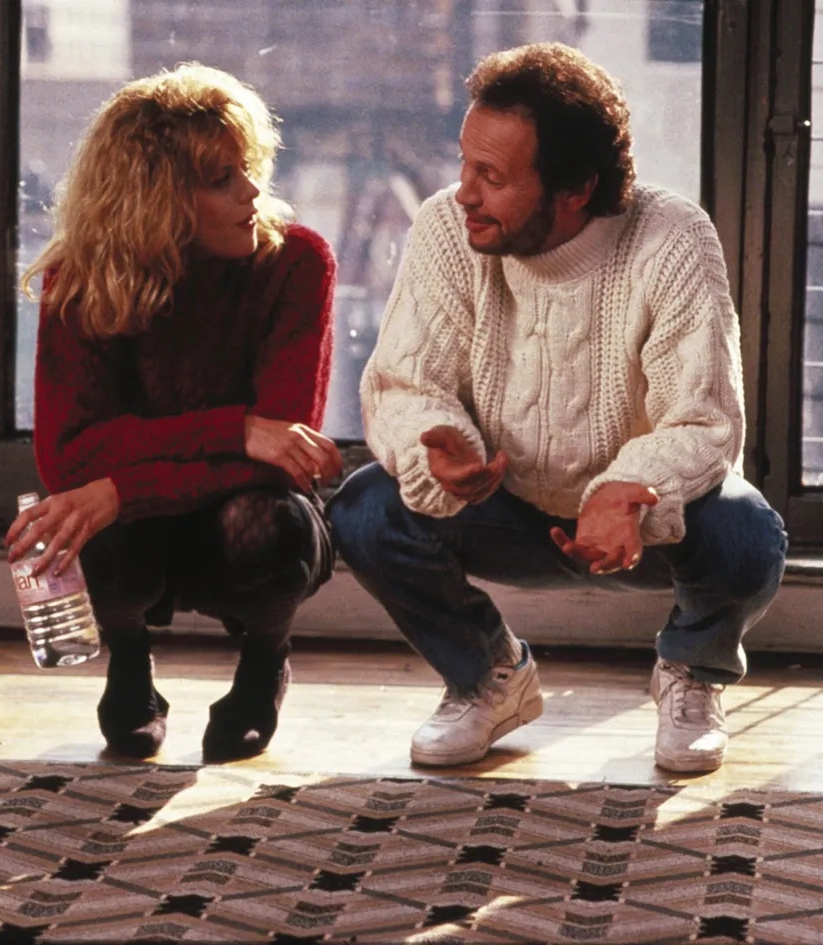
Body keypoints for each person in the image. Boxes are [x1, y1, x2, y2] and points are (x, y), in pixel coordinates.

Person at [327, 43, 787, 773]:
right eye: (465, 164)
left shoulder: (672, 237)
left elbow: (704, 421)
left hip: (635, 521)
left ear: (575, 189)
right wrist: (437, 446)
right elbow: (402, 384)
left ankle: (692, 669)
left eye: (492, 177)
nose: (464, 193)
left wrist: (626, 487)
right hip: (502, 507)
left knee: (749, 534)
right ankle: (488, 675)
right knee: (363, 509)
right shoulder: (448, 227)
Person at [4, 64, 342, 763]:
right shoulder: (82, 278)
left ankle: (266, 658)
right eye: (222, 179)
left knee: (271, 527)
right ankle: (129, 657)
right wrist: (234, 431)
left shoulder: (297, 262)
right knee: (82, 520)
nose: (252, 192)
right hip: (140, 526)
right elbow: (70, 458)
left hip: (244, 511)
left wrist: (120, 484)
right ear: (154, 200)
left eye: (246, 169)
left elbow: (282, 458)